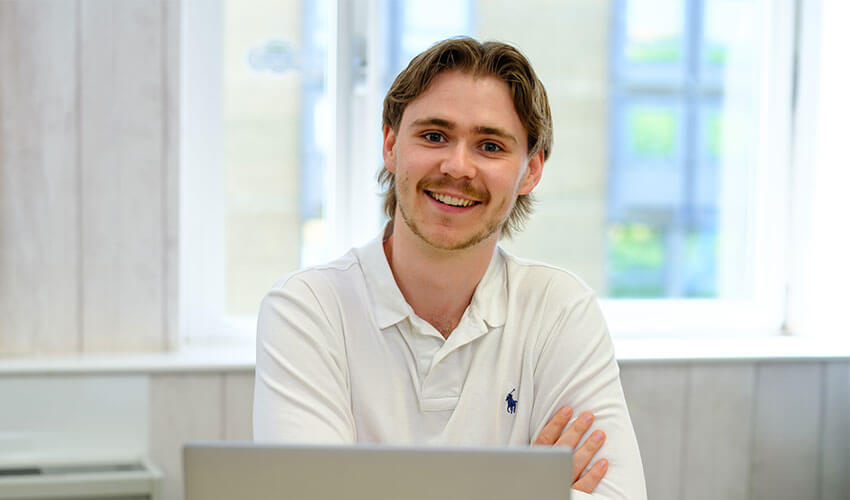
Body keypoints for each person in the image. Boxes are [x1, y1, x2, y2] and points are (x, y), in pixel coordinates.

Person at [254, 37, 647, 499]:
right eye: (434, 136)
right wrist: (521, 490)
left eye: (490, 145)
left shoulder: (559, 310)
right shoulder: (307, 310)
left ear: (532, 170)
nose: (457, 167)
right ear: (390, 145)